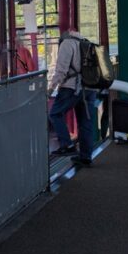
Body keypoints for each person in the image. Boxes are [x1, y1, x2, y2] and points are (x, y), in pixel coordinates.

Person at [48, 30, 97, 166]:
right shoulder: (87, 43)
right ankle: (86, 157)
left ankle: (67, 145)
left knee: (55, 113)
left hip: (71, 88)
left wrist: (51, 88)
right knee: (85, 122)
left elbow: (61, 70)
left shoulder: (67, 44)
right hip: (89, 88)